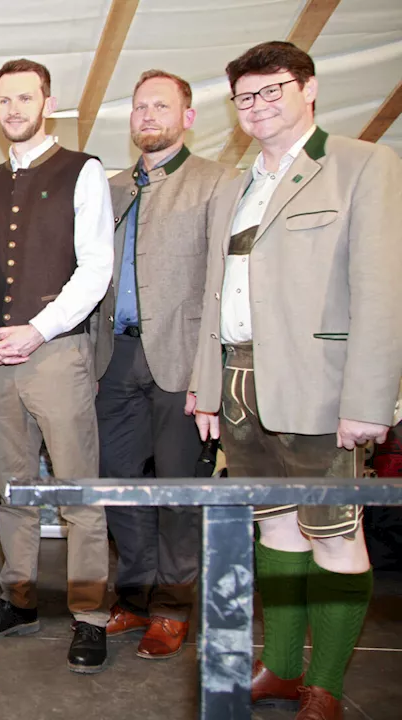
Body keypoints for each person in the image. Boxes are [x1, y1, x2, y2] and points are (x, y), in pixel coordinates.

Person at [190, 41, 402, 720]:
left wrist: (368, 400)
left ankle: (326, 687)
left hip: (323, 386)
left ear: (308, 89)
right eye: (245, 97)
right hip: (241, 381)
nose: (256, 107)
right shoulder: (234, 182)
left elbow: (382, 291)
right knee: (274, 528)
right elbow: (214, 292)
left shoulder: (362, 165)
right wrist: (206, 385)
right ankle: (281, 668)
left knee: (336, 533)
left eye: (271, 90)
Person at [0, 59, 115, 674]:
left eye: (26, 98)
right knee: (13, 486)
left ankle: (89, 614)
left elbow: (95, 266)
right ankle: (17, 596)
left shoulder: (84, 170)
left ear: (47, 103)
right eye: (5, 100)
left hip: (56, 353)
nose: (14, 109)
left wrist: (38, 329)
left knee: (79, 490)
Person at [95, 70, 236, 660]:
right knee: (119, 485)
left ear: (188, 116)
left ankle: (174, 609)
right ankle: (132, 598)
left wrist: (211, 377)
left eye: (161, 106)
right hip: (114, 356)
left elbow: (222, 288)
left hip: (183, 359)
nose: (148, 115)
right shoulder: (108, 188)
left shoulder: (217, 182)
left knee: (179, 491)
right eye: (139, 106)